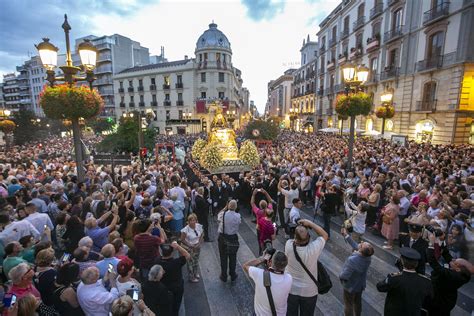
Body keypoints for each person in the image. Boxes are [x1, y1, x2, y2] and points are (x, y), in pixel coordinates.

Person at [285, 219, 328, 315]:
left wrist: (298, 230)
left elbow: (293, 240)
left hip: (291, 289)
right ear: (308, 238)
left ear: (294, 237)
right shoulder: (313, 249)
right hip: (309, 291)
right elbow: (324, 235)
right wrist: (310, 223)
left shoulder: (288, 245)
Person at [376, 247, 433, 316]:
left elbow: (380, 287)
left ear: (402, 261)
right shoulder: (426, 281)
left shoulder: (394, 278)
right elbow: (429, 301)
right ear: (416, 264)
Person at [425, 233, 472, 316]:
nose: (453, 260)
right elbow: (448, 256)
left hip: (438, 303)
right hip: (448, 302)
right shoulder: (464, 276)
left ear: (457, 269)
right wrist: (442, 242)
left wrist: (431, 244)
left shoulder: (450, 275)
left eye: (455, 262)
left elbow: (433, 262)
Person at [243, 251, 292, 316]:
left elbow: (245, 266)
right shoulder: (289, 279)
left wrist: (263, 258)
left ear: (270, 262)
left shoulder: (259, 274)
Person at [340, 228, 374, 316]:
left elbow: (344, 275)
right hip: (360, 285)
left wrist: (341, 278)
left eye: (362, 244)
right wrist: (346, 235)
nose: (361, 242)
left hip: (350, 286)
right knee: (358, 302)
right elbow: (356, 245)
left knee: (348, 304)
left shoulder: (353, 260)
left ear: (361, 250)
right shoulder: (367, 257)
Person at [156, 241, 190, 316]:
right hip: (176, 288)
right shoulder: (176, 262)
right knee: (176, 306)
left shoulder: (157, 261)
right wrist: (177, 247)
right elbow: (187, 255)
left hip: (164, 288)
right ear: (172, 253)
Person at [217, 200, 241, 282]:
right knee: (233, 257)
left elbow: (218, 215)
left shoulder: (223, 214)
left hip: (223, 237)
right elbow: (239, 222)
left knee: (223, 257)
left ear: (228, 206)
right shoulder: (238, 216)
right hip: (233, 238)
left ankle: (224, 275)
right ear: (236, 207)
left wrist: (225, 207)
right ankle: (232, 274)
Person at [180, 213, 204, 282]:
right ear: (188, 221)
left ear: (196, 220)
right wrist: (190, 245)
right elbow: (182, 239)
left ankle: (195, 272)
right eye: (191, 220)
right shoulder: (185, 230)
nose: (193, 222)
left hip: (197, 246)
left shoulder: (199, 226)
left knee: (196, 260)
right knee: (190, 262)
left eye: (194, 220)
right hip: (189, 248)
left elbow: (202, 234)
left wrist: (199, 243)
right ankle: (191, 277)